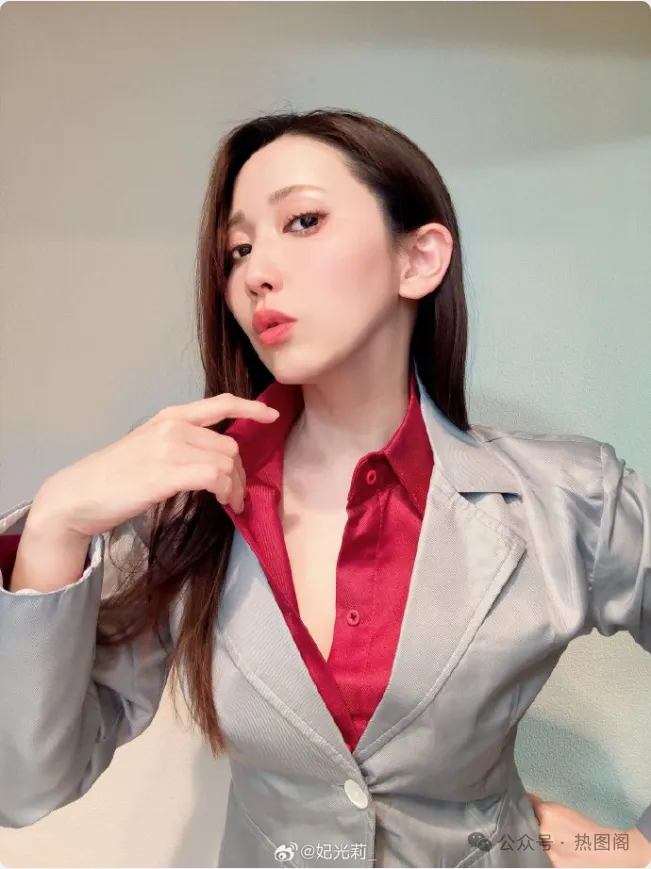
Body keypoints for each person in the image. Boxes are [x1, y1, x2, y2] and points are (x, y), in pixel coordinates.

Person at [0, 108, 649, 869]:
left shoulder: (569, 498)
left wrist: (633, 847)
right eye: (238, 250)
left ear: (419, 259)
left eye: (302, 221)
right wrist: (57, 523)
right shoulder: (188, 511)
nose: (255, 273)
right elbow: (25, 783)